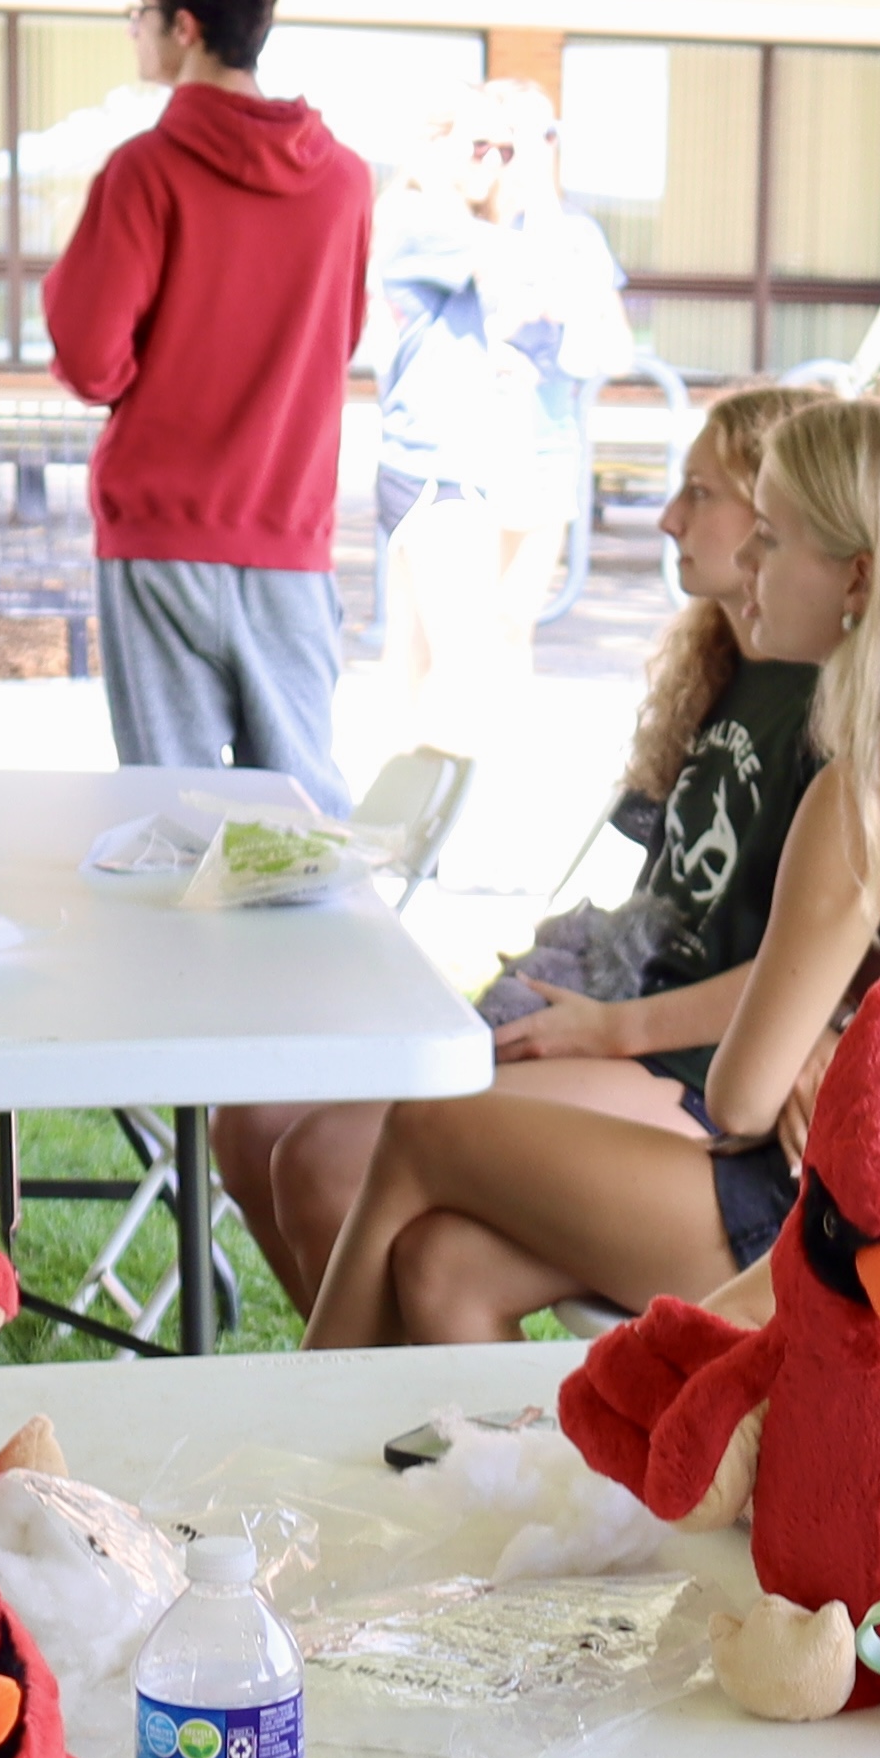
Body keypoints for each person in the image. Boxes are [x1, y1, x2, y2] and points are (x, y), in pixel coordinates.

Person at [297, 396, 880, 1345]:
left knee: (426, 1131)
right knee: (444, 1267)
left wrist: (814, 1055)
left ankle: (276, 1455)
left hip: (865, 1234)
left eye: (769, 539)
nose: (745, 567)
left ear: (857, 578)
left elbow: (742, 1098)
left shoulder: (868, 791)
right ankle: (509, 1488)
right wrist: (831, 1040)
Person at [214, 380, 821, 1302]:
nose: (667, 518)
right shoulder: (723, 666)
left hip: (694, 1077)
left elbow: (819, 973)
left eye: (701, 493)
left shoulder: (837, 713)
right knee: (255, 1123)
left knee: (329, 1158)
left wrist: (614, 1029)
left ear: (785, 513)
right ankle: (396, 1421)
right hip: (626, 1023)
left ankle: (356, 1415)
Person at [44, 0, 376, 808]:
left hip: (159, 534)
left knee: (173, 816)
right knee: (303, 817)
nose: (134, 33)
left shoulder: (145, 172)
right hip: (288, 536)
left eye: (139, 14)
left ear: (183, 27)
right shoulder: (344, 181)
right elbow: (337, 340)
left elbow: (88, 359)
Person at [365, 83, 631, 750]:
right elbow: (524, 262)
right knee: (463, 660)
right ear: (434, 146)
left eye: (508, 148)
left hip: (442, 462)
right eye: (479, 146)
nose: (498, 160)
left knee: (424, 657)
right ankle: (425, 830)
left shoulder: (438, 220)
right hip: (437, 467)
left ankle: (404, 834)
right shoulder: (419, 215)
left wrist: (493, 356)